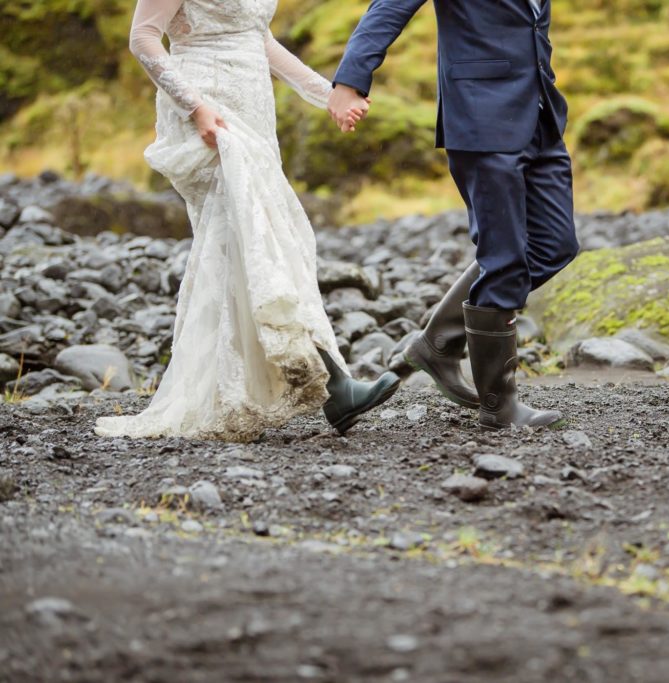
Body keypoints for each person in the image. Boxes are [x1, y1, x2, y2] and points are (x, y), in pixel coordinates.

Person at [95, 0, 400, 442]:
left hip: (254, 110)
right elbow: (142, 38)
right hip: (210, 112)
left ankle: (248, 387)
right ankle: (334, 386)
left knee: (250, 242)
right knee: (260, 235)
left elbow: (260, 39)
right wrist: (194, 107)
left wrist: (326, 93)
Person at [328, 0, 579, 430]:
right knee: (503, 256)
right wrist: (351, 80)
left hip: (540, 115)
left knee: (555, 246)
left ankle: (438, 343)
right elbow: (389, 5)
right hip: (481, 115)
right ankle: (499, 406)